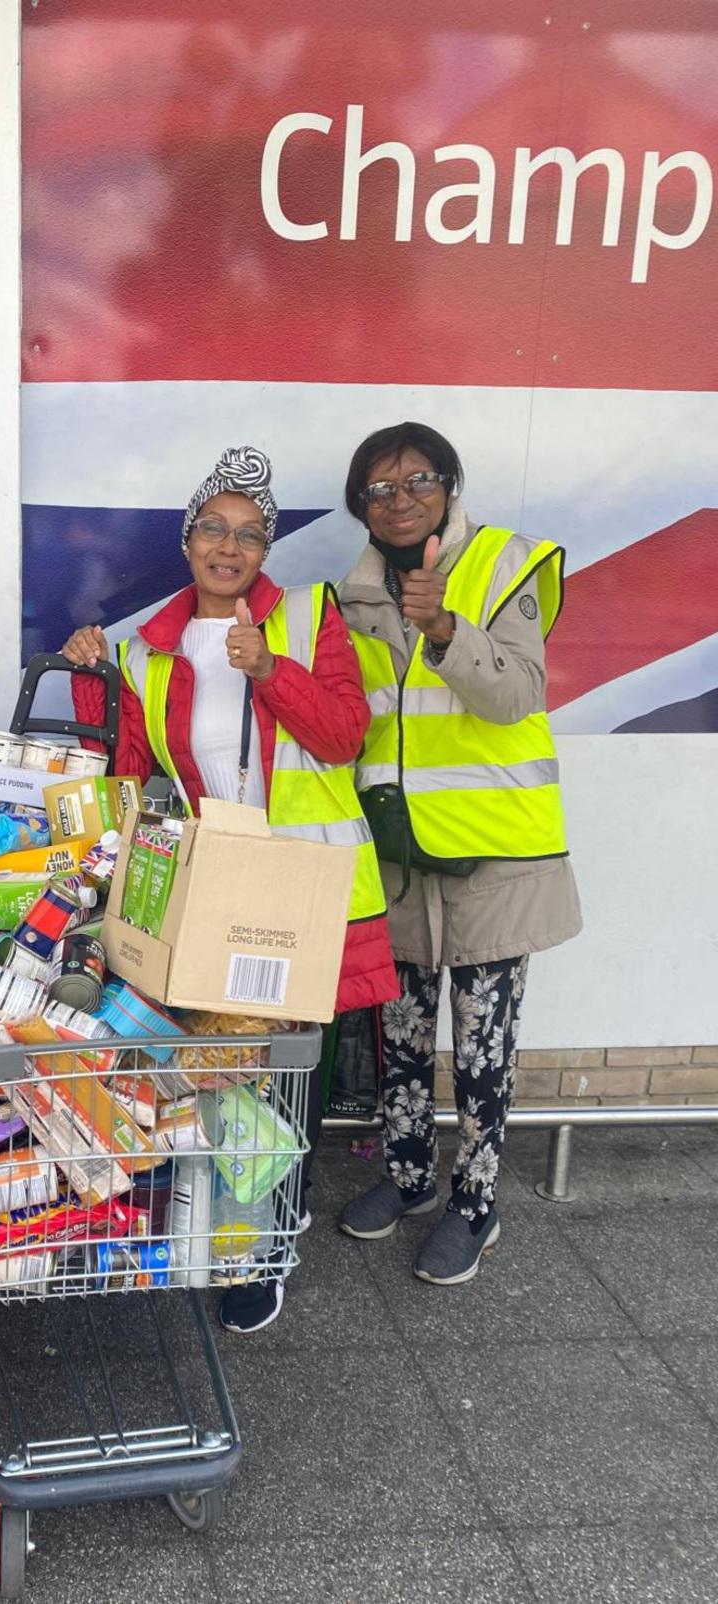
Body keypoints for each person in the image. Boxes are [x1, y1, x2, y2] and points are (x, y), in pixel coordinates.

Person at [61, 445, 398, 1332]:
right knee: (209, 1058)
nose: (229, 546)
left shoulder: (307, 616)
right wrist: (94, 683)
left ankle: (266, 1244)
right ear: (186, 541)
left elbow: (343, 737)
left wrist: (268, 671)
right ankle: (205, 1217)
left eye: (251, 534)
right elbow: (132, 779)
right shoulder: (146, 650)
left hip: (304, 882)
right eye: (213, 528)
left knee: (290, 1070)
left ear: (267, 550)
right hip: (213, 885)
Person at [335, 421, 581, 1285]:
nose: (400, 500)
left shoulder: (506, 562)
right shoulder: (349, 599)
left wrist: (443, 628)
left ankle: (476, 1207)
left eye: (418, 480)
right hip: (399, 861)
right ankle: (406, 1180)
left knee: (482, 1050)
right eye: (379, 488)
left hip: (494, 862)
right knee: (400, 1039)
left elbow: (518, 693)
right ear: (359, 505)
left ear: (450, 484)